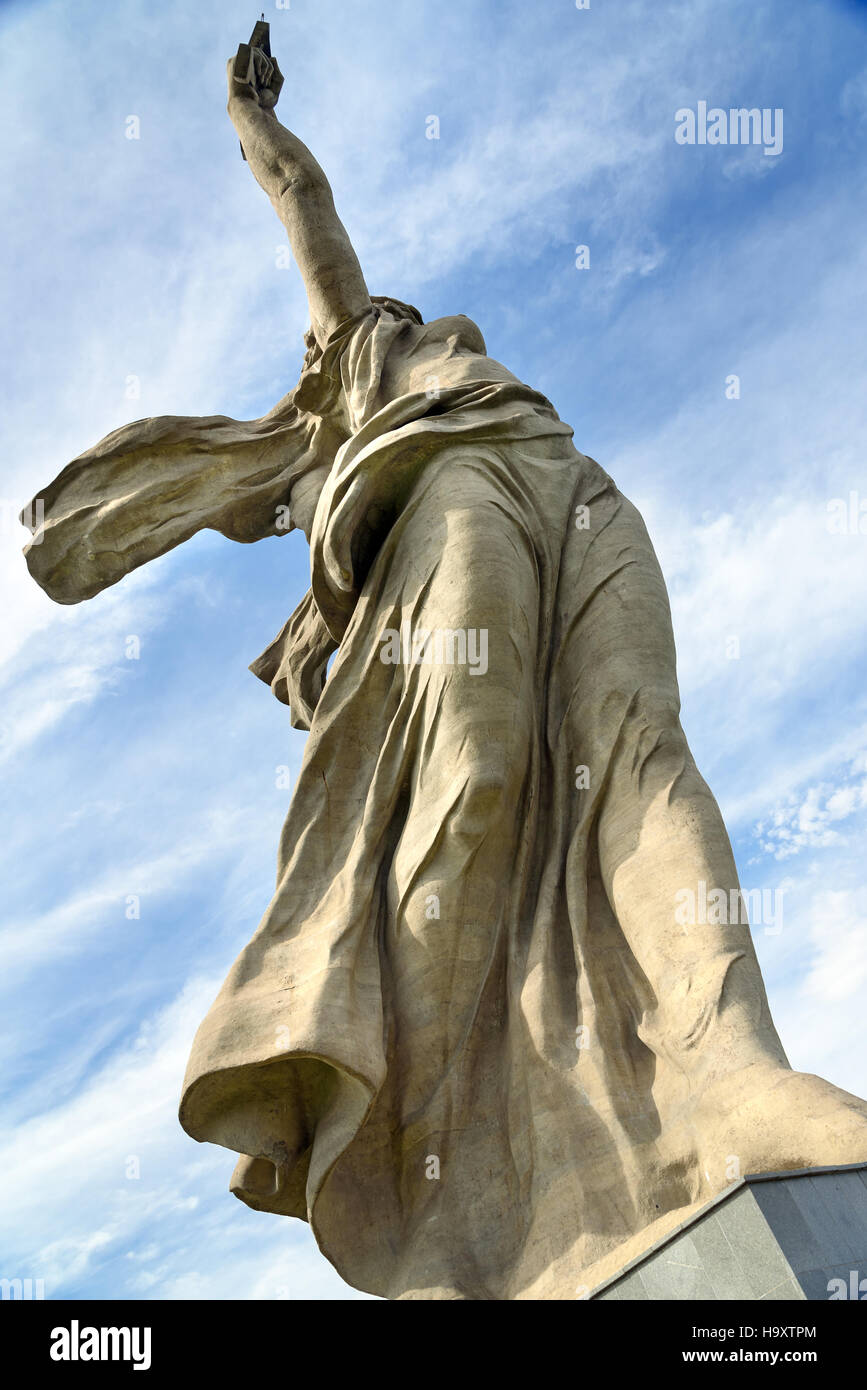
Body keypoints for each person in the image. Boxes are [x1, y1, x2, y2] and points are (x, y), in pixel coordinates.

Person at [21, 39, 867, 1300]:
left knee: (646, 751)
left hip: (568, 481)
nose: (413, 318)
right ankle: (419, 1163)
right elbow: (309, 209)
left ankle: (739, 1074)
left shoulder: (459, 365)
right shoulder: (357, 363)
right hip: (451, 492)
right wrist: (248, 117)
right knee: (473, 774)